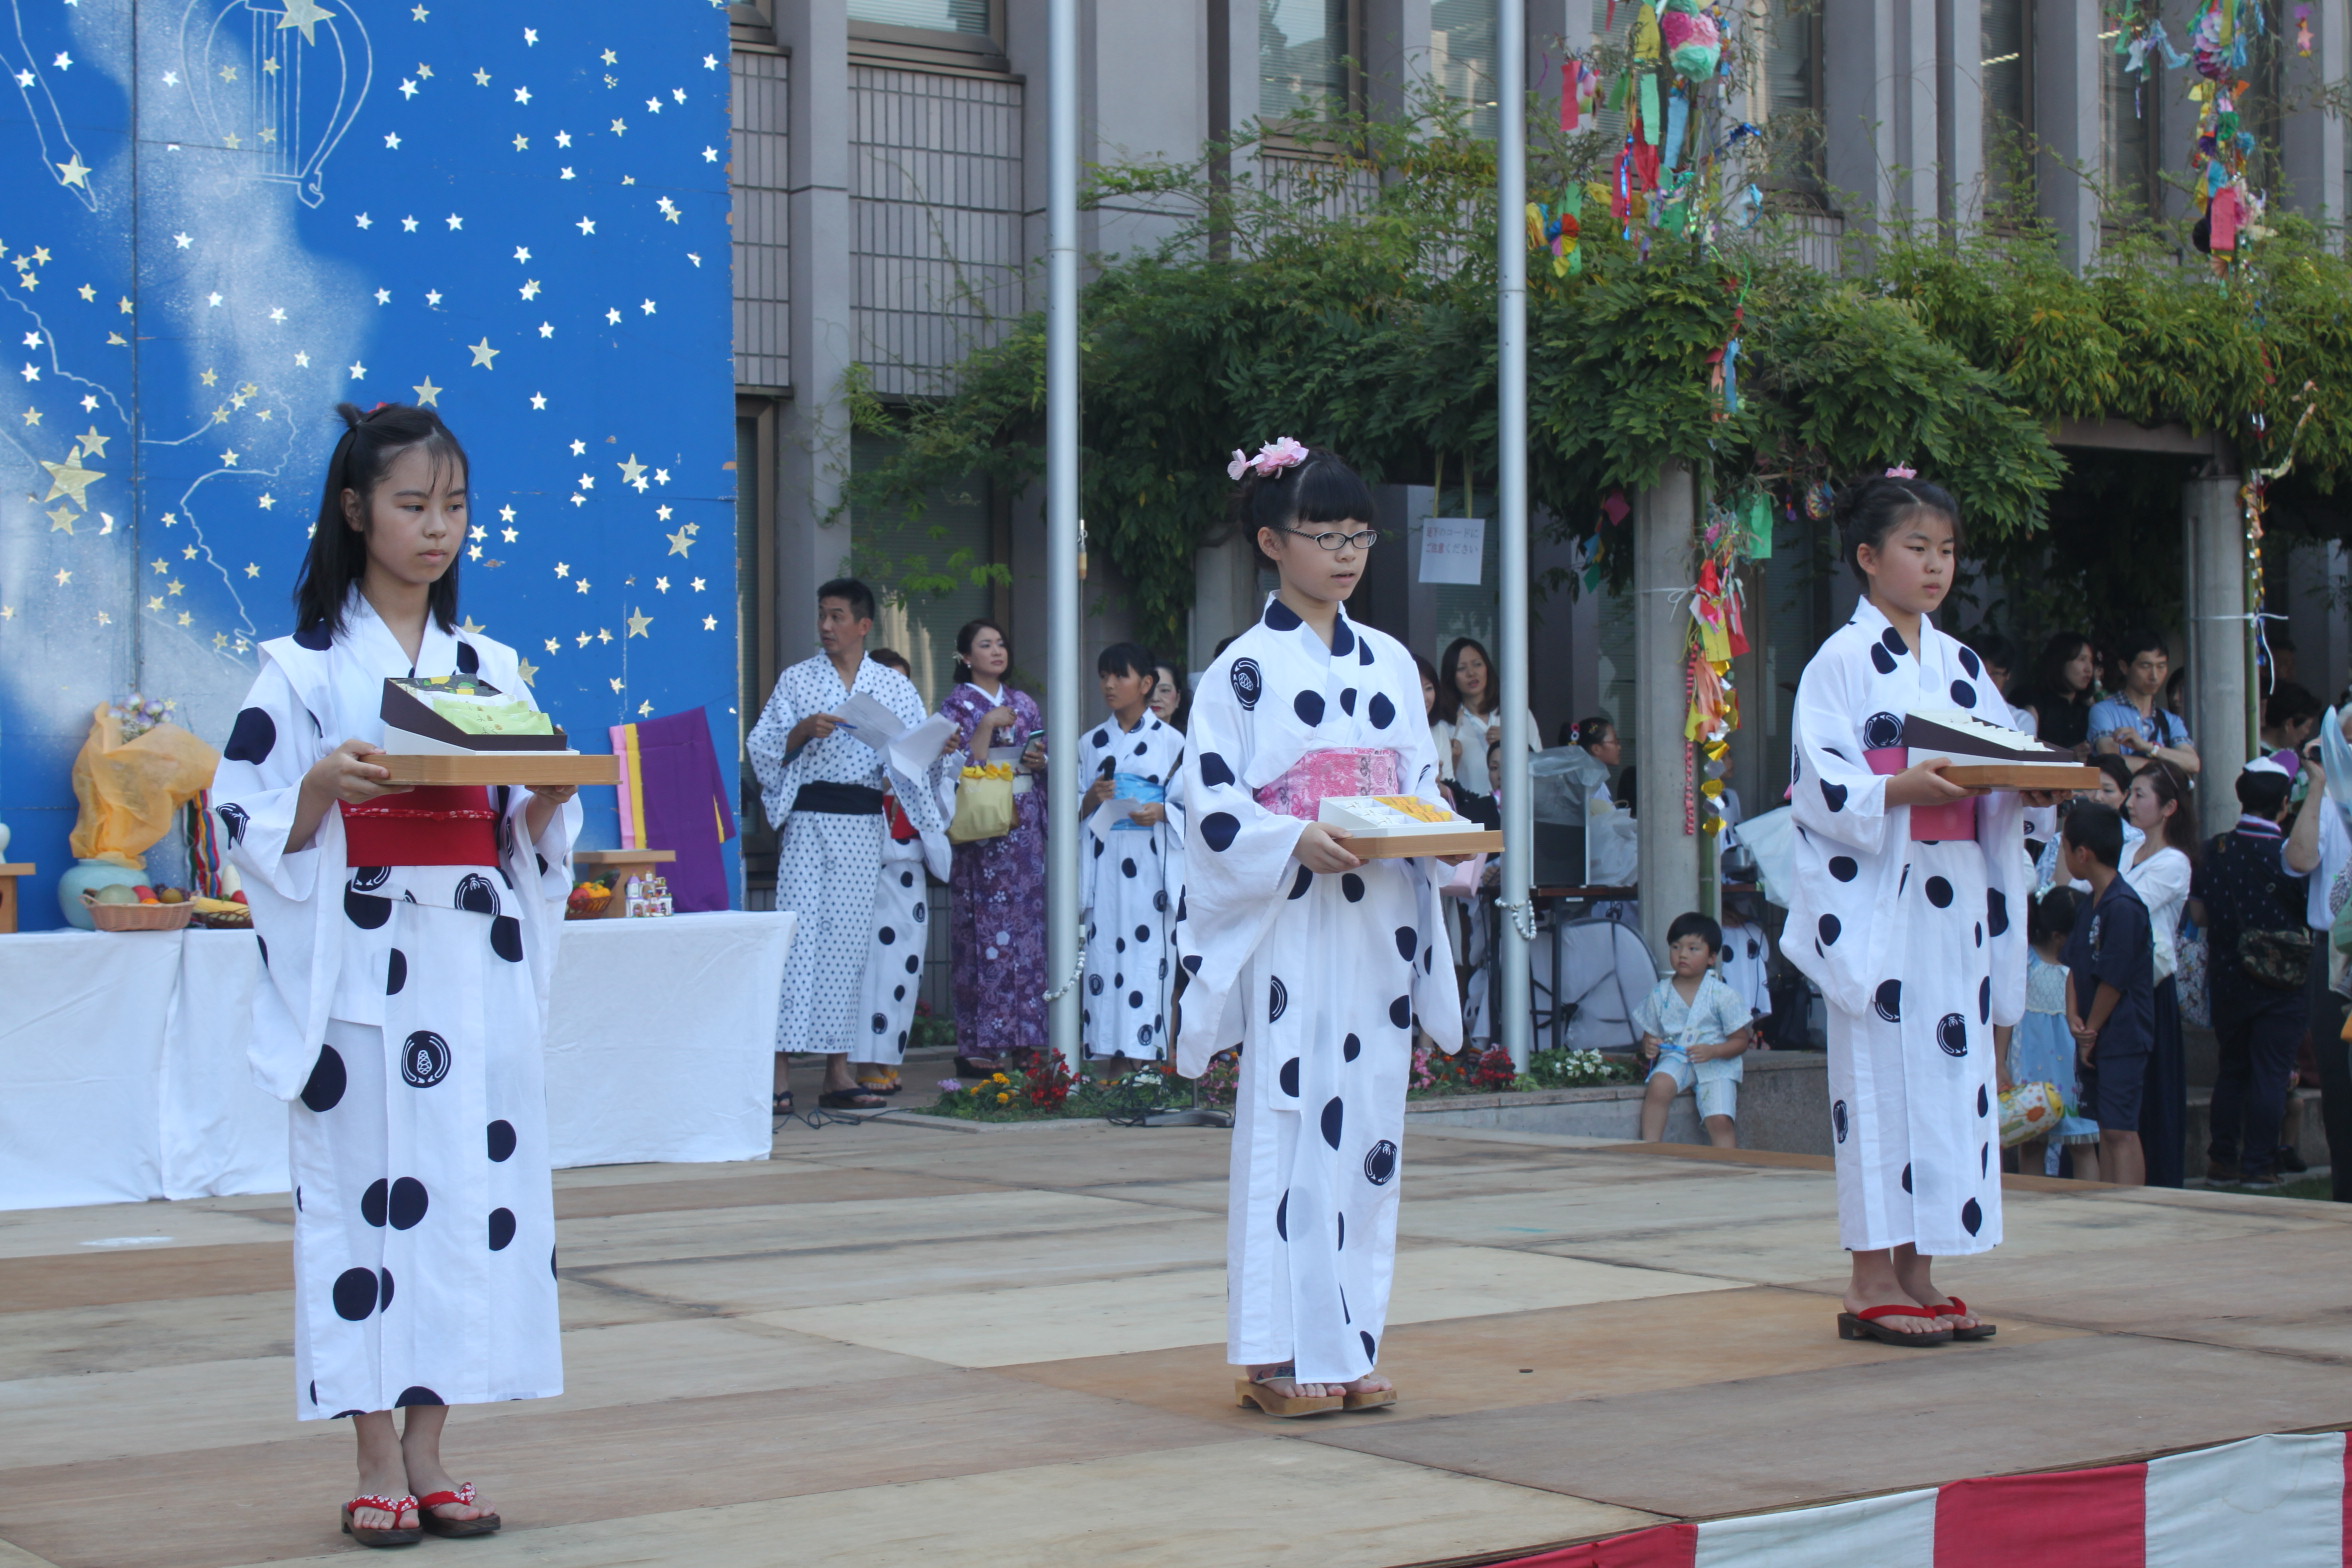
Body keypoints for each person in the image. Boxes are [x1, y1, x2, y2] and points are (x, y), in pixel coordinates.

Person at [212, 403, 580, 1544]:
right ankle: (373, 1448)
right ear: (356, 508)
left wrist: (547, 804)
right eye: (414, 505)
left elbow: (521, 829)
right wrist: (319, 788)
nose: (437, 530)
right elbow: (241, 810)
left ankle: (431, 1448)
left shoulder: (490, 665)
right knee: (365, 1201)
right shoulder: (300, 668)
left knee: (473, 1198)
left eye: (455, 508)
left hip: (474, 953)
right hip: (364, 962)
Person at [1177, 438, 1461, 1416]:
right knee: (1293, 1119)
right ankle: (1276, 1351)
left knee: (1372, 1123)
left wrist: (1448, 841)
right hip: (1294, 917)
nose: (1345, 553)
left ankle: (1349, 1336)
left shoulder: (1389, 662)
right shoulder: (1241, 670)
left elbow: (1419, 782)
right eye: (1323, 534)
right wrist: (1292, 836)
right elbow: (1210, 805)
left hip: (1377, 915)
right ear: (1271, 540)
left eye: (1359, 535)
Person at [1787, 471, 2034, 1348]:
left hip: (1956, 891)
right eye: (1917, 549)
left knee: (1949, 1080)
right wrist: (1897, 790)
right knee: (1881, 1081)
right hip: (1883, 896)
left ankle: (1922, 1267)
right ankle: (1869, 1275)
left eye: (1948, 551)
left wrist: (2027, 787)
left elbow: (2006, 757)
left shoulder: (1961, 664)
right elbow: (1817, 782)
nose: (1936, 568)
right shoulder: (1840, 662)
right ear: (1867, 557)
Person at [747, 581, 953, 1113]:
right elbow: (762, 747)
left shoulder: (892, 686)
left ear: (863, 625)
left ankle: (838, 1072)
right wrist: (800, 732)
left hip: (864, 824)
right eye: (822, 616)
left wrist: (940, 747)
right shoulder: (798, 679)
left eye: (837, 616)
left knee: (848, 950)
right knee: (798, 945)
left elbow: (913, 760)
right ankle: (776, 1074)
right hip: (810, 822)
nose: (826, 626)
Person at [2191, 760, 2312, 1187]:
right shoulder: (2291, 854)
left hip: (2228, 974)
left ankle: (2222, 1159)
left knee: (2233, 1068)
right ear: (2283, 805)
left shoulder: (2213, 849)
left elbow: (2200, 913)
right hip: (2285, 981)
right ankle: (2260, 1165)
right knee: (2271, 1073)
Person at [939, 618, 1049, 1075]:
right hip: (983, 829)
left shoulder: (1024, 703)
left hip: (1021, 827)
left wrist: (1039, 759)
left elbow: (1041, 759)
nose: (996, 651)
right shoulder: (955, 707)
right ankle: (979, 1043)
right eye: (985, 645)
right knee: (979, 930)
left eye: (1000, 643)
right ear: (966, 657)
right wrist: (984, 725)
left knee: (1026, 931)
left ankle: (1026, 1037)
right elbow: (952, 769)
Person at [850, 649, 955, 1098]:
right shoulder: (851, 744)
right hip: (868, 866)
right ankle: (863, 1061)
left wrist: (941, 758)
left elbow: (941, 807)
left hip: (908, 864)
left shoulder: (916, 745)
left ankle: (889, 1056)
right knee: (868, 967)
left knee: (902, 969)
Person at [1078, 642, 1187, 1066]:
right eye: (1103, 676)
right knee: (1103, 954)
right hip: (1105, 856)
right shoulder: (1090, 742)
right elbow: (1072, 806)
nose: (1108, 685)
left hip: (1151, 858)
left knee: (1149, 955)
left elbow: (1193, 804)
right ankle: (1107, 1054)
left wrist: (1163, 811)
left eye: (1119, 676)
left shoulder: (1173, 741)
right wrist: (1090, 797)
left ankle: (1146, 1057)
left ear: (1145, 684)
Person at [2060, 802, 2155, 1188]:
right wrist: (2073, 1018)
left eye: (2066, 846)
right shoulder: (2090, 904)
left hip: (2122, 1033)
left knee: (2121, 1129)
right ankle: (2110, 1198)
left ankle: (2130, 1208)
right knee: (2105, 1126)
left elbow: (2114, 980)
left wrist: (2091, 1029)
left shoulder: (2124, 907)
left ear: (2083, 853)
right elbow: (2073, 966)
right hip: (2094, 1033)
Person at [2121, 760, 2197, 1186]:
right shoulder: (2128, 849)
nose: (2131, 804)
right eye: (2129, 794)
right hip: (2122, 980)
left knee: (2156, 1090)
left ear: (2168, 807)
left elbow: (2123, 902)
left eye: (2140, 795)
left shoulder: (2174, 862)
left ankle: (2163, 1180)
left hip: (2153, 983)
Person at [1635, 912, 1753, 1148]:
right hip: (1676, 1054)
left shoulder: (1722, 995)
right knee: (1659, 1085)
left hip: (1717, 1062)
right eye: (1676, 947)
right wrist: (1649, 1044)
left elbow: (1741, 1040)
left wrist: (1714, 1051)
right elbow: (1650, 1033)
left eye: (1693, 948)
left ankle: (1727, 1164)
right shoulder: (1660, 993)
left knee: (1719, 1119)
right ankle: (1649, 1148)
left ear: (1711, 957)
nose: (1683, 954)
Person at [2007, 888, 2102, 1179]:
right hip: (2030, 1067)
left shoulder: (2083, 966)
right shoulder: (2024, 962)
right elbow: (2007, 1017)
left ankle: (2093, 1208)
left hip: (2072, 1070)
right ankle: (2034, 1211)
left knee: (2083, 1144)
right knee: (2032, 1143)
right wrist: (1999, 1064)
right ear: (2060, 936)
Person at [1432, 636, 1535, 799]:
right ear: (1451, 676)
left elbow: (1539, 765)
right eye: (1461, 668)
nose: (1471, 673)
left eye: (1477, 664)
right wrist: (1452, 760)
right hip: (1472, 812)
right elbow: (1441, 784)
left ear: (1487, 667)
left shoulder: (1517, 714)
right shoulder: (1446, 725)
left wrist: (1512, 742)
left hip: (1518, 810)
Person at [2088, 632, 2199, 777]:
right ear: (2124, 667)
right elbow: (2112, 762)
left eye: (2161, 666)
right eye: (2146, 666)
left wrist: (2147, 747)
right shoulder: (2103, 711)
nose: (2154, 675)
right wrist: (2169, 766)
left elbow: (2193, 763)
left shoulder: (2170, 720)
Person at [2023, 631, 2099, 758]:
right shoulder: (2033, 703)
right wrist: (2066, 755)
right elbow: (2025, 754)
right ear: (2060, 661)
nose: (2088, 668)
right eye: (2081, 660)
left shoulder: (2086, 709)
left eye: (2091, 661)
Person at [1150, 658, 1191, 732]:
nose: (1155, 698)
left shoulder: (1188, 740)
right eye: (1149, 690)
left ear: (1178, 699)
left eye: (1164, 690)